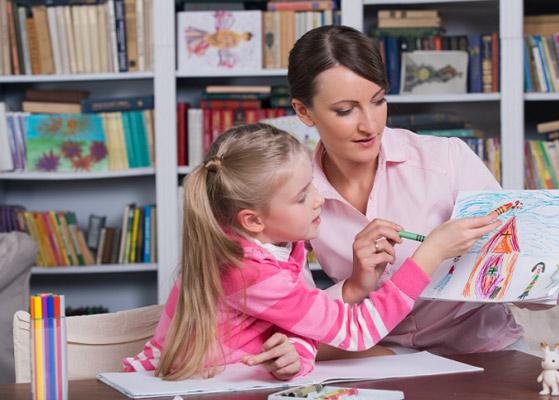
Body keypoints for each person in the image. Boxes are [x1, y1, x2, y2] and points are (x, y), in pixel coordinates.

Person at [287, 25, 559, 358]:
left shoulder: (446, 159)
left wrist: (557, 265)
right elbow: (296, 318)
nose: (370, 125)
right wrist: (354, 286)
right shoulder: (293, 191)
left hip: (482, 353)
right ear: (304, 111)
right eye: (345, 111)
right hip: (378, 357)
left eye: (378, 101)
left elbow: (514, 282)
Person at [122, 123, 499, 380]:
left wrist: (348, 293)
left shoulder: (270, 244)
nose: (319, 200)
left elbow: (295, 321)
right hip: (190, 386)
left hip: (231, 381)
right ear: (253, 220)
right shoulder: (244, 267)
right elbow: (356, 332)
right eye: (303, 195)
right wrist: (429, 255)